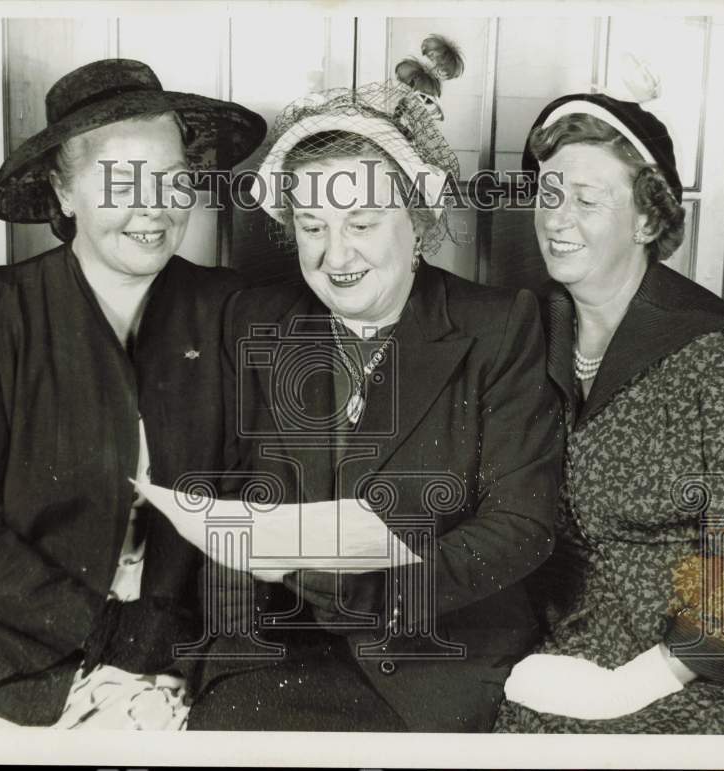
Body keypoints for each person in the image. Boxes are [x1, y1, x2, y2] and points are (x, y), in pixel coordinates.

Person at [0, 58, 266, 728]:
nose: (153, 208)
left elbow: (251, 504)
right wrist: (109, 632)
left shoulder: (224, 308)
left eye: (172, 179)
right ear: (63, 192)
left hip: (169, 655)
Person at [181, 81, 563, 732]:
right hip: (276, 648)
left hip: (427, 658)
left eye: (360, 223)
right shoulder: (257, 318)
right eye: (313, 227)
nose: (335, 255)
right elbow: (225, 496)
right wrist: (230, 644)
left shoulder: (498, 327)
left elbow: (522, 524)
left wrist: (378, 592)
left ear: (417, 220)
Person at [493, 93, 724, 734]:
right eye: (549, 193)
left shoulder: (722, 352)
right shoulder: (530, 331)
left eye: (587, 198)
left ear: (644, 220)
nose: (557, 218)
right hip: (576, 641)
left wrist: (631, 687)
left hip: (700, 669)